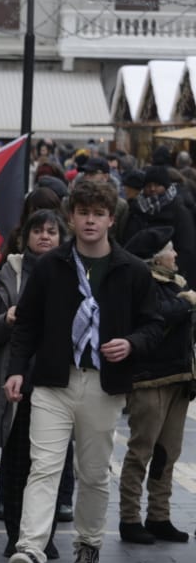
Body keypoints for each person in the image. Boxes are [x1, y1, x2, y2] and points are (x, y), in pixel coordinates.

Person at [4, 178, 162, 563]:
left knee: (92, 473)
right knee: (44, 467)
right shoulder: (51, 266)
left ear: (111, 218)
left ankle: (89, 543)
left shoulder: (131, 269)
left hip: (103, 385)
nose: (90, 221)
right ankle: (31, 549)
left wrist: (130, 343)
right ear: (71, 217)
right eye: (83, 213)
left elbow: (155, 324)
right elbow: (27, 324)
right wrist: (17, 369)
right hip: (53, 381)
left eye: (98, 214)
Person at [0, 209, 66, 558]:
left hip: (57, 381)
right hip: (16, 379)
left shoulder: (73, 271)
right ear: (25, 236)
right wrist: (7, 318)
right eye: (38, 231)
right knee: (16, 462)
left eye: (52, 231)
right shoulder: (10, 275)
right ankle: (16, 533)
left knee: (51, 462)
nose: (45, 237)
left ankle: (44, 535)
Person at [117, 226, 195, 545]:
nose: (175, 255)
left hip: (178, 378)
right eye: (169, 250)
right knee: (141, 451)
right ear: (154, 258)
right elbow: (158, 318)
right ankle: (130, 517)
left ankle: (159, 515)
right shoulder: (142, 284)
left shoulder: (177, 284)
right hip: (149, 381)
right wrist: (186, 304)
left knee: (168, 452)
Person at [123, 165, 196, 287]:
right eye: (148, 185)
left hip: (171, 274)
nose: (152, 189)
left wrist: (173, 271)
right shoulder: (136, 209)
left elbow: (187, 247)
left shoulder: (179, 211)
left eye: (157, 185)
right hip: (140, 274)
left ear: (166, 186)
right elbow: (128, 240)